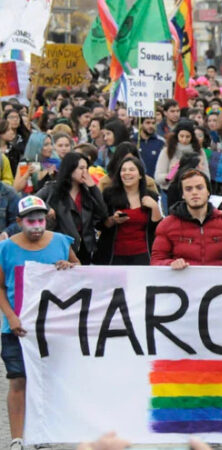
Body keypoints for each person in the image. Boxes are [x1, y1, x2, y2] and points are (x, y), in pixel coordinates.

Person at [0, 196, 79, 449]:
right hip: (17, 326)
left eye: (41, 220)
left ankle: (42, 434)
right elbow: (0, 286)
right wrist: (10, 316)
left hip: (52, 326)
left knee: (47, 381)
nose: (36, 226)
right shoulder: (6, 248)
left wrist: (70, 265)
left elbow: (80, 271)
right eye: (30, 221)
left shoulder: (60, 242)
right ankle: (17, 438)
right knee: (18, 379)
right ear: (18, 222)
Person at [151, 169, 222, 268]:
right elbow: (156, 261)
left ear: (208, 191)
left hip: (218, 282)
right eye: (188, 189)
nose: (194, 192)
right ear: (183, 195)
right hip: (180, 281)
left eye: (199, 188)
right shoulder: (167, 224)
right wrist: (170, 263)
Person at [35, 152, 109, 264]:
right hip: (61, 244)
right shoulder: (53, 188)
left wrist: (93, 187)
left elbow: (103, 213)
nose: (85, 172)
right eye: (81, 168)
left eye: (86, 168)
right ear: (70, 169)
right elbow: (32, 200)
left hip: (84, 246)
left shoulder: (88, 191)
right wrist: (47, 208)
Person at [95, 157, 162, 265]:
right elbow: (99, 224)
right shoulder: (109, 194)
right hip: (113, 256)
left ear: (140, 175)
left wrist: (154, 207)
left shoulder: (151, 196)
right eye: (123, 170)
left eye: (131, 170)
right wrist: (113, 220)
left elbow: (158, 229)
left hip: (143, 255)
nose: (127, 173)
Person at [154, 119, 210, 196]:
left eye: (188, 137)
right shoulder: (167, 150)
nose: (184, 140)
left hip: (193, 192)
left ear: (192, 137)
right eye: (181, 136)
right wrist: (170, 174)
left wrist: (199, 171)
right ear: (177, 135)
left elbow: (207, 175)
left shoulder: (199, 151)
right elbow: (158, 176)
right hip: (170, 192)